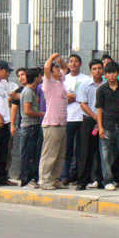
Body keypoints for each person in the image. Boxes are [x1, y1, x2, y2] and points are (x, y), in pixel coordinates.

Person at [96, 62, 119, 191]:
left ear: (117, 73)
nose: (111, 75)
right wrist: (100, 127)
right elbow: (99, 109)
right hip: (106, 126)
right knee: (106, 155)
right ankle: (108, 180)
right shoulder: (101, 89)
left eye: (113, 72)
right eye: (108, 73)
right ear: (105, 75)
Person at [40, 53, 69, 190]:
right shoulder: (48, 83)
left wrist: (60, 60)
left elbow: (66, 68)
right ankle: (45, 180)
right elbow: (46, 68)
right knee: (50, 154)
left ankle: (55, 179)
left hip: (62, 122)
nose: (59, 71)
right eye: (56, 69)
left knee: (60, 154)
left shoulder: (61, 82)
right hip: (51, 123)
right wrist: (52, 57)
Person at [75, 60, 104, 190]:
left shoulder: (106, 84)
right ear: (90, 71)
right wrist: (95, 116)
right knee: (86, 151)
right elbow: (82, 103)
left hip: (104, 121)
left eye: (99, 68)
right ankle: (83, 181)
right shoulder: (85, 85)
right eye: (94, 69)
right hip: (89, 120)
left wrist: (101, 119)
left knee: (103, 152)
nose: (97, 71)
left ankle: (101, 180)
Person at [62, 54, 91, 185]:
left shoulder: (86, 79)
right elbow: (62, 97)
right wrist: (76, 97)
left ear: (80, 64)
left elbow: (86, 97)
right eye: (71, 61)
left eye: (76, 61)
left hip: (82, 117)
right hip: (68, 117)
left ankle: (78, 176)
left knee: (81, 149)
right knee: (66, 149)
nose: (73, 64)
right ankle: (65, 175)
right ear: (68, 64)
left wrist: (74, 96)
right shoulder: (63, 79)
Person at [18, 68, 45, 187]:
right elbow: (27, 111)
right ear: (36, 78)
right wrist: (42, 114)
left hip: (33, 126)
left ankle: (30, 178)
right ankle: (26, 179)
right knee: (28, 154)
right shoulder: (28, 92)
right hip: (29, 126)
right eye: (40, 76)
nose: (41, 78)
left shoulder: (32, 91)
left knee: (33, 154)